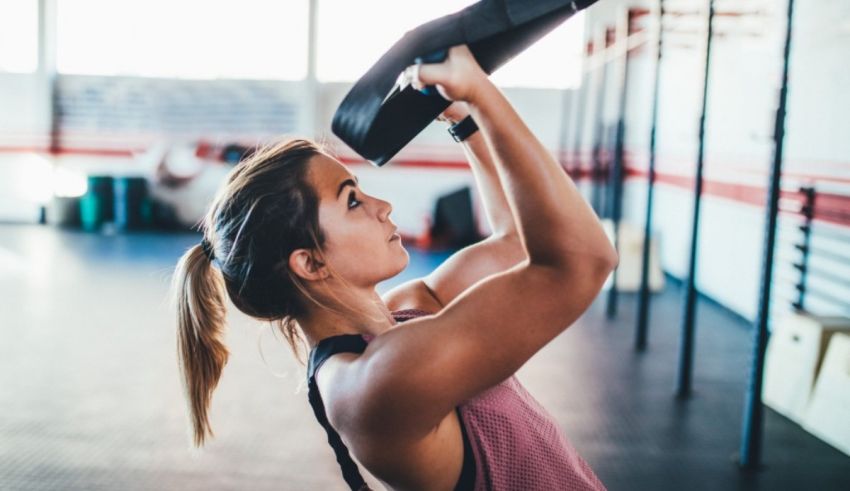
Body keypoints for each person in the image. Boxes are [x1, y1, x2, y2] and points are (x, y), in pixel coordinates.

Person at [173, 45, 616, 490]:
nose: (383, 207)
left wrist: (463, 117)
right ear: (309, 262)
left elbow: (516, 243)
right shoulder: (378, 384)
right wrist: (483, 94)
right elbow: (582, 261)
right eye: (352, 201)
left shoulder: (408, 311)